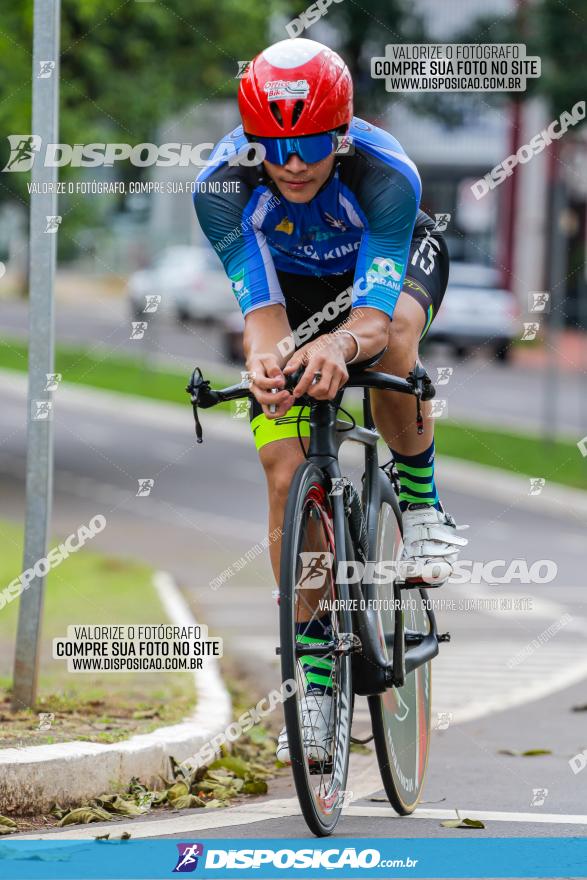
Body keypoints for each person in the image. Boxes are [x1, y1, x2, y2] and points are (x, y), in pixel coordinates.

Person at [193, 38, 467, 765]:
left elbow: (372, 322)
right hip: (297, 288)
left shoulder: (385, 176)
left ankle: (420, 504)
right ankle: (315, 688)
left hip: (388, 267)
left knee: (396, 341)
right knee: (284, 472)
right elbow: (262, 319)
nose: (290, 163)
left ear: (340, 132)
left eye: (309, 144)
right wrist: (268, 365)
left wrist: (338, 348)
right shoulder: (220, 187)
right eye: (273, 146)